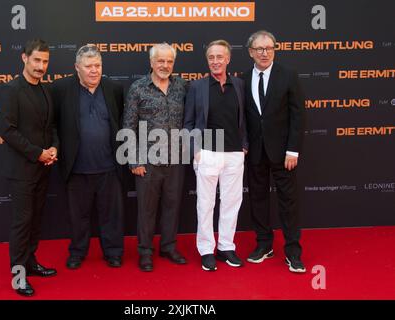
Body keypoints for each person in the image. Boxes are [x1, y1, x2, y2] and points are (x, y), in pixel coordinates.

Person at [51, 45, 124, 270]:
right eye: (88, 66)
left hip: (109, 167)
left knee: (111, 216)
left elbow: (120, 121)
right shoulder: (61, 89)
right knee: (78, 217)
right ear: (77, 68)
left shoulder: (113, 88)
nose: (94, 71)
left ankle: (113, 253)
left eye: (98, 66)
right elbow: (52, 124)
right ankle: (77, 252)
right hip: (76, 167)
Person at [0, 39, 59, 297]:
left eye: (45, 62)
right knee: (22, 223)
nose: (41, 66)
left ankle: (30, 263)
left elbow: (51, 127)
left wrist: (54, 148)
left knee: (35, 221)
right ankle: (18, 275)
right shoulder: (12, 90)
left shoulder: (45, 90)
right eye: (36, 60)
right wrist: (38, 154)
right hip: (22, 169)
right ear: (24, 58)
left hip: (43, 168)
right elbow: (7, 131)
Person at [243, 30, 306, 273]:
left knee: (288, 202)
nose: (264, 52)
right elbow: (244, 118)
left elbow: (298, 116)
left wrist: (293, 150)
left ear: (274, 50)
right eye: (259, 49)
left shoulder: (288, 75)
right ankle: (264, 245)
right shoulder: (244, 77)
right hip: (256, 153)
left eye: (269, 48)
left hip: (283, 154)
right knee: (258, 201)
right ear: (250, 52)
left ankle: (293, 252)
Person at [184, 40, 248, 271]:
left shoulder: (239, 85)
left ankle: (226, 247)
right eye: (211, 57)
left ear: (228, 59)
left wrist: (244, 146)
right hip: (208, 153)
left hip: (234, 154)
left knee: (232, 203)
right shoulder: (197, 87)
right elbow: (189, 122)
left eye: (220, 57)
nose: (215, 61)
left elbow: (246, 119)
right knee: (205, 204)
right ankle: (206, 249)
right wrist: (196, 151)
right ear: (207, 60)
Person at [123, 43, 187, 272]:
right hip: (147, 161)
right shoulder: (138, 88)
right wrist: (134, 160)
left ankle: (168, 247)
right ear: (151, 62)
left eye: (169, 61)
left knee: (173, 206)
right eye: (160, 61)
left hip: (176, 159)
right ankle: (145, 251)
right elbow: (129, 125)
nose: (165, 65)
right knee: (146, 209)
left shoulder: (182, 86)